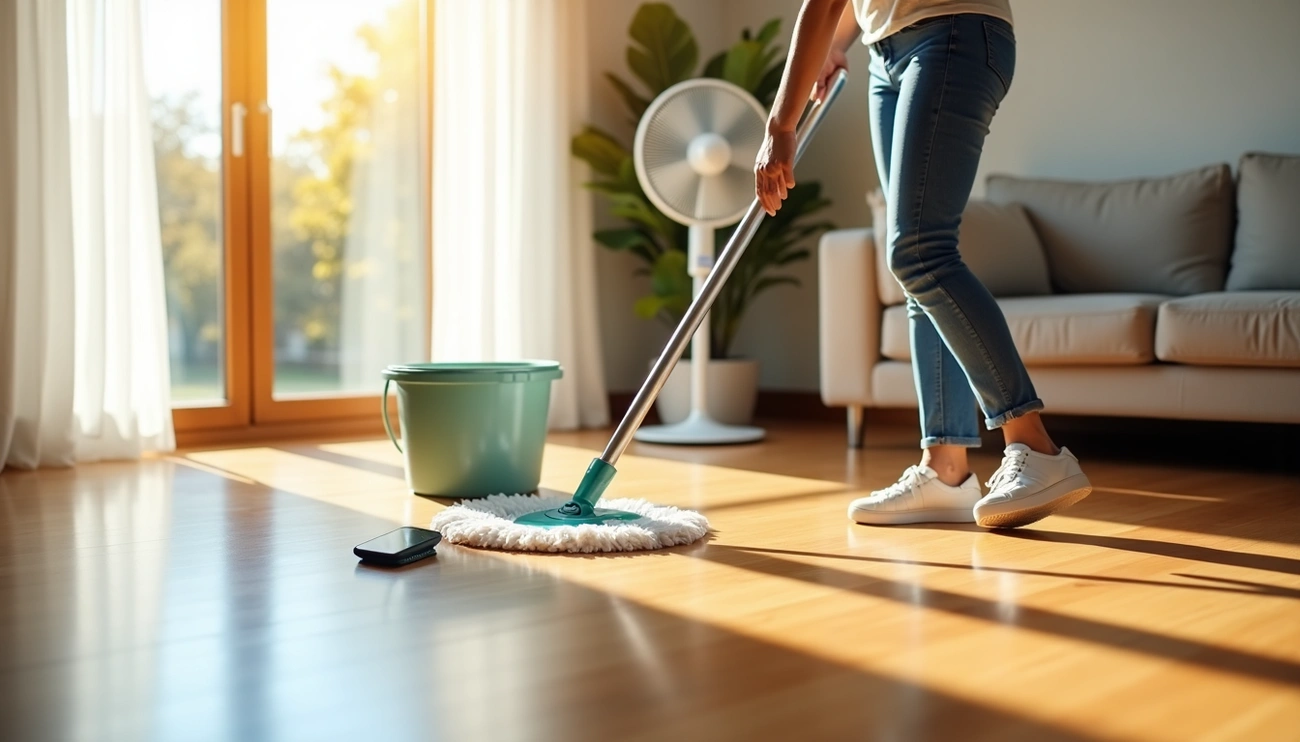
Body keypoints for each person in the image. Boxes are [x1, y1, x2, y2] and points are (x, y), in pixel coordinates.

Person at [754, 0, 1092, 529]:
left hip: (952, 31)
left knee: (918, 251)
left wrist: (780, 124)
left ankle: (1036, 446)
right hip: (885, 52)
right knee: (917, 269)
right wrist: (838, 45)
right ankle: (946, 469)